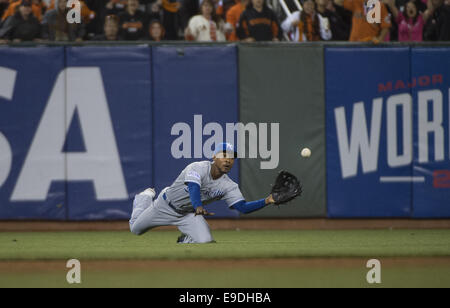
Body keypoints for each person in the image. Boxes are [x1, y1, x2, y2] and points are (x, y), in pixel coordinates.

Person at [129, 143, 276, 244]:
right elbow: (193, 187)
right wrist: (198, 206)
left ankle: (185, 240)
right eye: (224, 155)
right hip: (164, 206)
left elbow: (242, 207)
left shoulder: (229, 186)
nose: (228, 160)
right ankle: (144, 198)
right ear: (214, 157)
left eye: (232, 157)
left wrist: (267, 200)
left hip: (188, 214)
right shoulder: (198, 167)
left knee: (205, 241)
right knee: (135, 229)